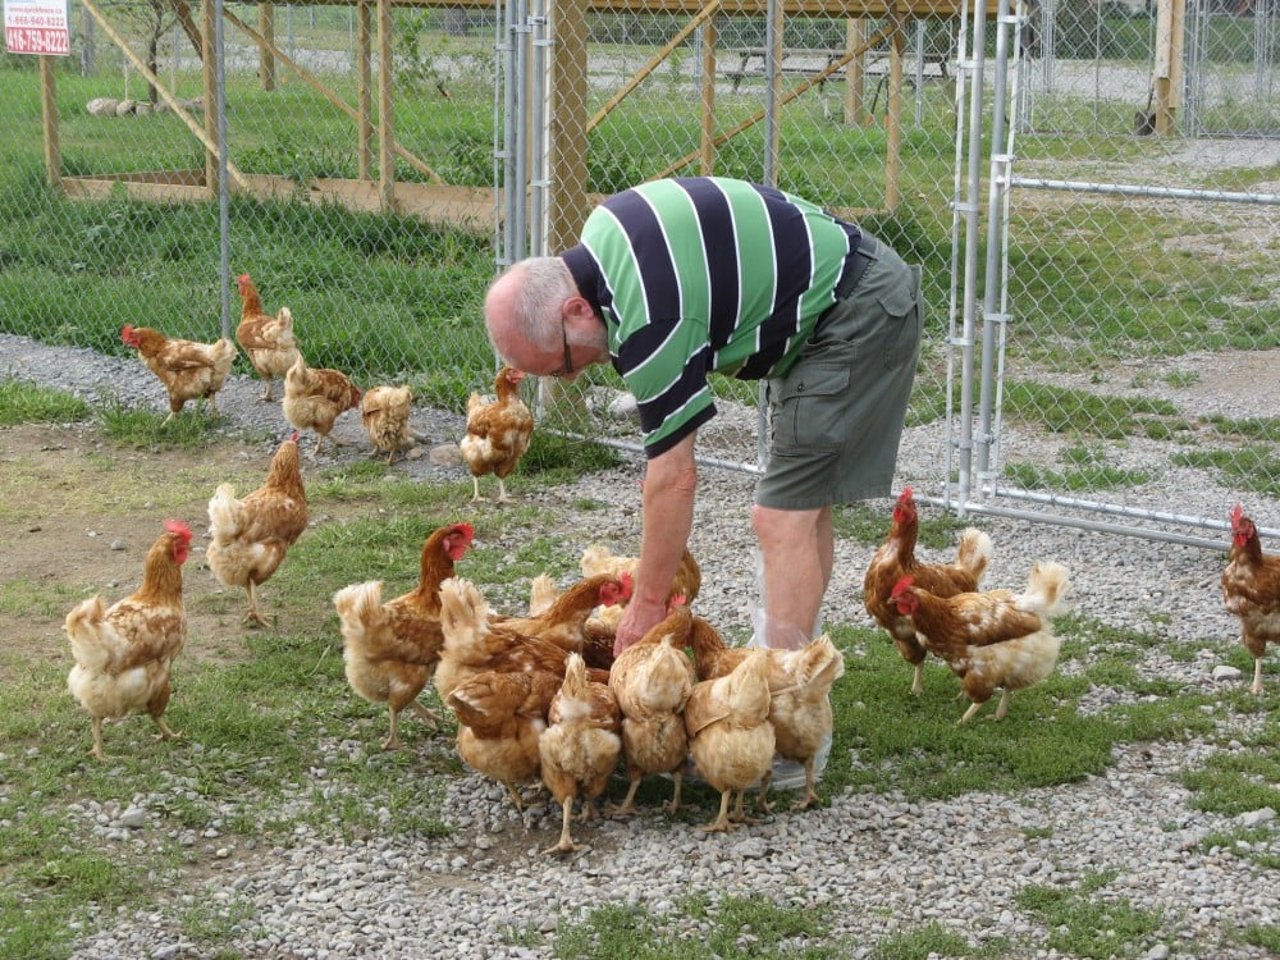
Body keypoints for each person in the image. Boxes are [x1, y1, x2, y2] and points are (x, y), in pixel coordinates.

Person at [484, 176, 922, 661]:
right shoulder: (604, 232)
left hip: (856, 307)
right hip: (835, 292)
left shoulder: (648, 317)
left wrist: (647, 604)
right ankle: (796, 672)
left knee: (780, 517)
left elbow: (674, 478)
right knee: (801, 505)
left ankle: (780, 696)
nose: (568, 377)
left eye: (561, 363)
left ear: (576, 309)